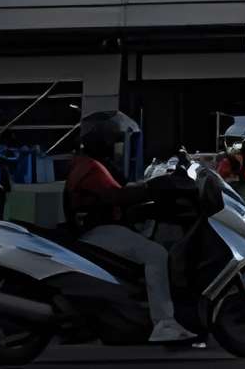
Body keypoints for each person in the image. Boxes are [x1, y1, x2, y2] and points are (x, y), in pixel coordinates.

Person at [64, 112, 190, 346]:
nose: (116, 147)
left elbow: (117, 191)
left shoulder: (90, 163)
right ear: (102, 141)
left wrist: (145, 188)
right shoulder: (90, 167)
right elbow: (116, 195)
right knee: (156, 254)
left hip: (103, 228)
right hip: (100, 231)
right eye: (114, 141)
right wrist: (151, 187)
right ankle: (164, 323)